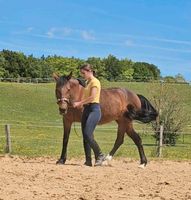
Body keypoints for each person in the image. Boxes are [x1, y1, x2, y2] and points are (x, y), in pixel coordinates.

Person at [73, 63, 105, 166]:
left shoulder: (95, 82)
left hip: (94, 109)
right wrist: (79, 104)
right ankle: (88, 161)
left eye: (83, 73)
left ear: (89, 71)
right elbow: (86, 98)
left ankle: (100, 155)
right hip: (86, 109)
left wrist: (79, 103)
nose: (83, 75)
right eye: (81, 73)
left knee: (87, 133)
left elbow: (92, 97)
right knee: (85, 135)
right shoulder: (88, 82)